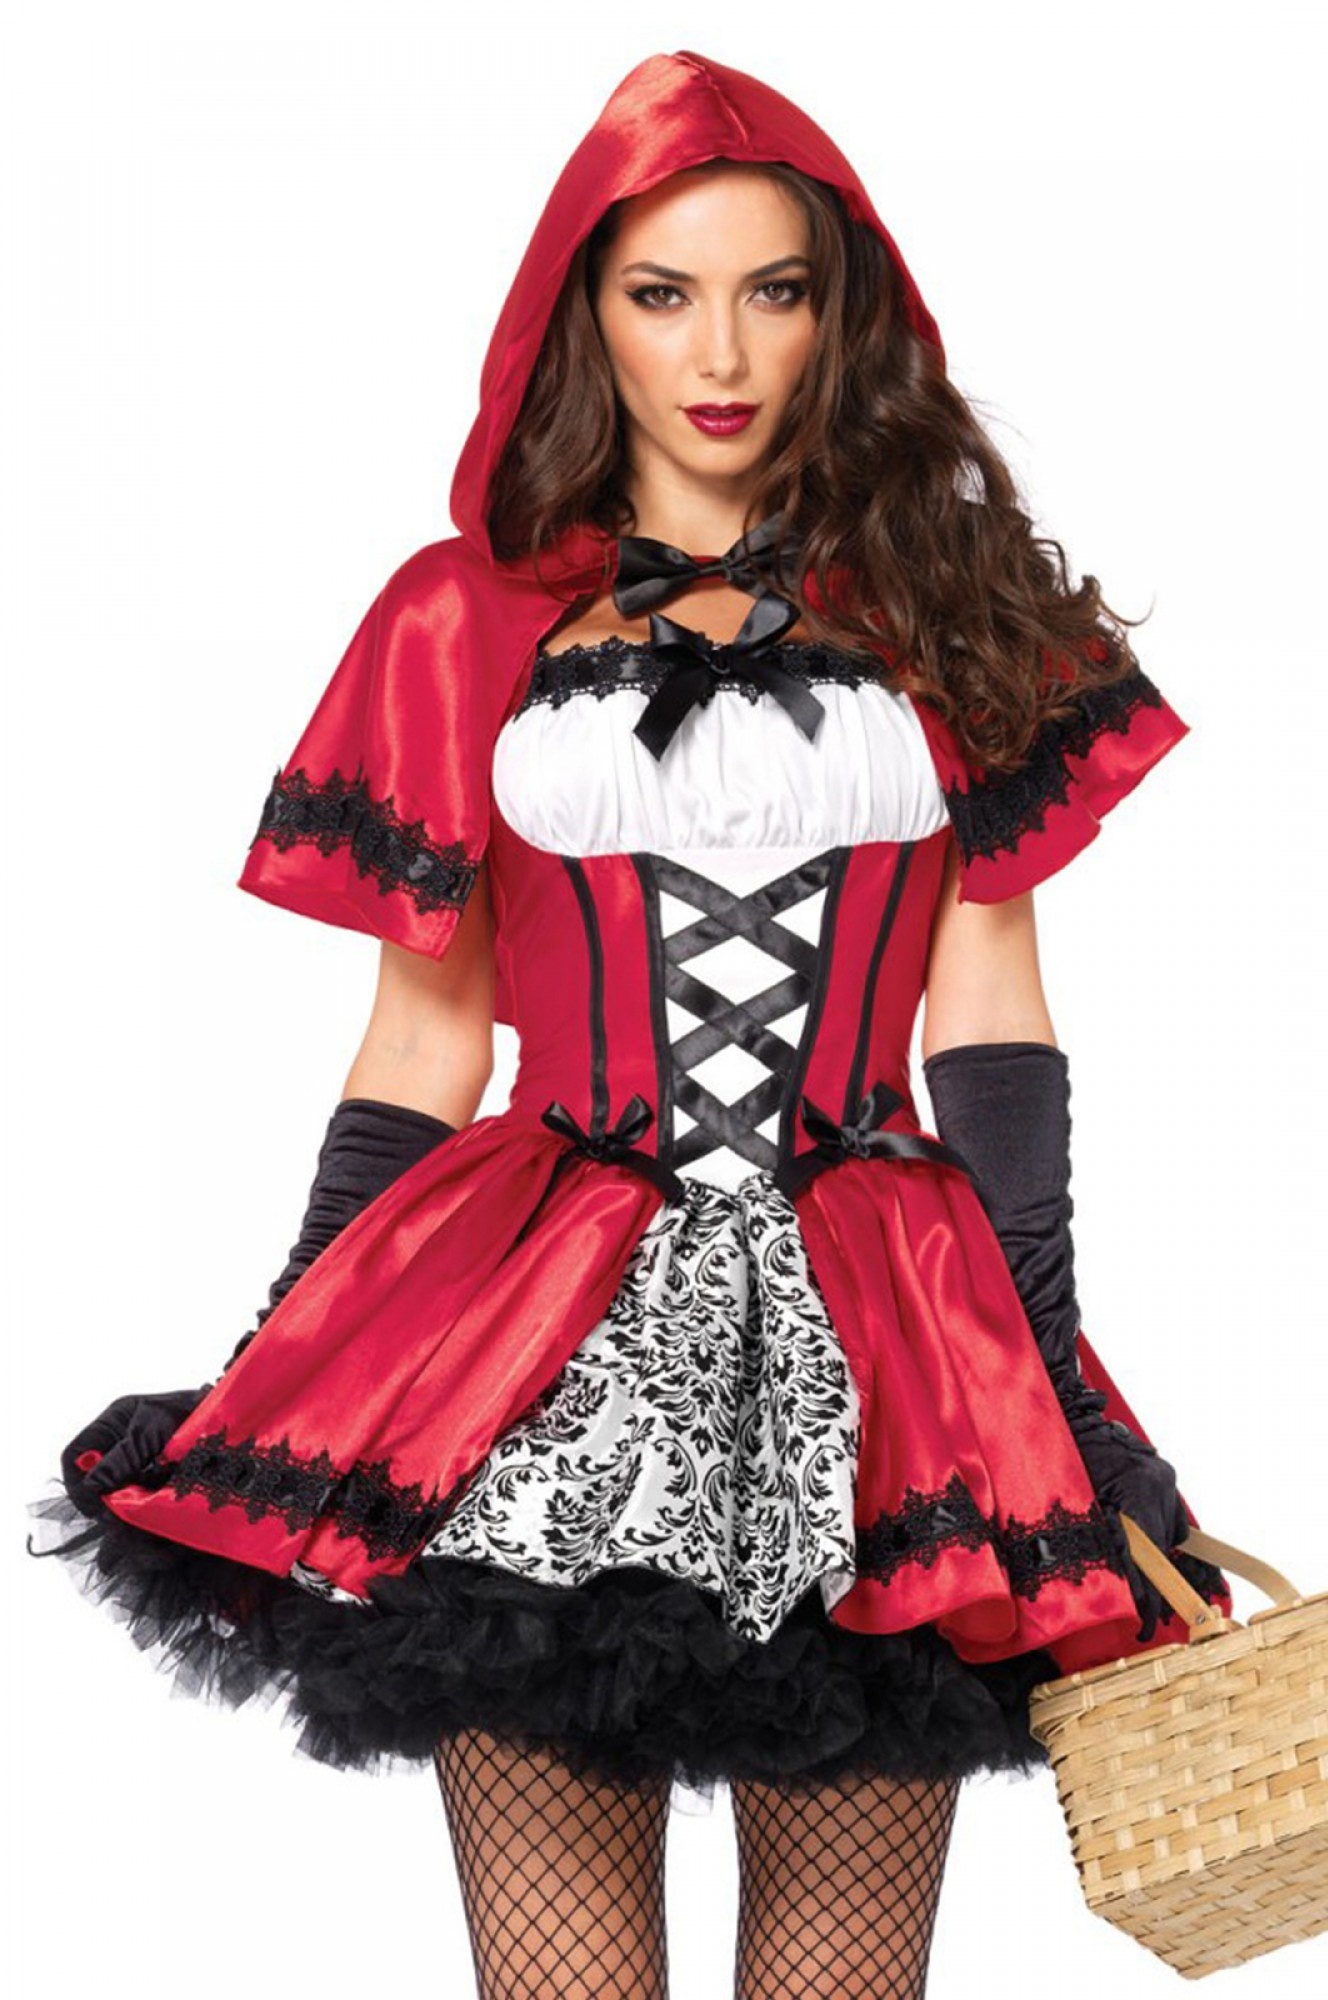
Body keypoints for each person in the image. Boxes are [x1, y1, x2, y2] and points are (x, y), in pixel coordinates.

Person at [26, 48, 1233, 2000]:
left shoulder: (950, 603)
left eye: (774, 290)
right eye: (663, 293)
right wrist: (298, 1344)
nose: (720, 352)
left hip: (883, 1343)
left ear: (843, 315)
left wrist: (1055, 1365)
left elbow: (992, 1014)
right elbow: (423, 1040)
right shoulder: (456, 621)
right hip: (536, 1322)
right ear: (583, 314)